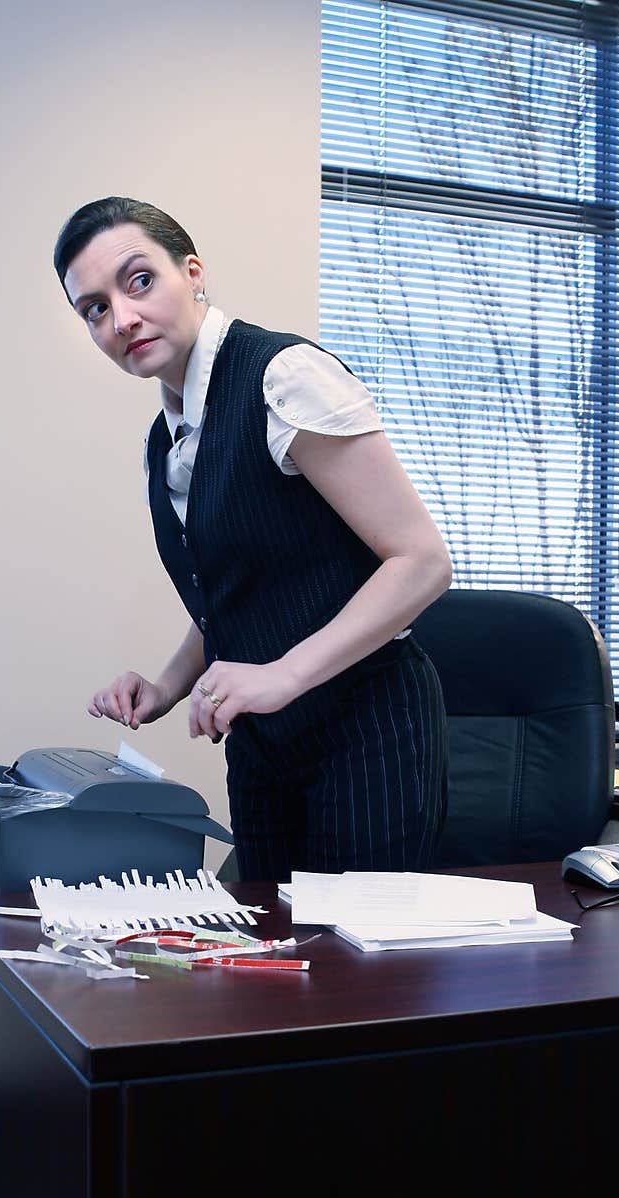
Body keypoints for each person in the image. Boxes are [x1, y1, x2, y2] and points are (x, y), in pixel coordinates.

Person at [54, 196, 451, 880]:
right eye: (94, 308)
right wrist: (167, 686)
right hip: (264, 743)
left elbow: (422, 563)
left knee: (356, 978)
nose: (121, 318)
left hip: (364, 728)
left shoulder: (283, 376)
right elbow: (238, 591)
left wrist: (282, 676)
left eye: (138, 280)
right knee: (272, 966)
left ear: (194, 272)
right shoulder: (167, 437)